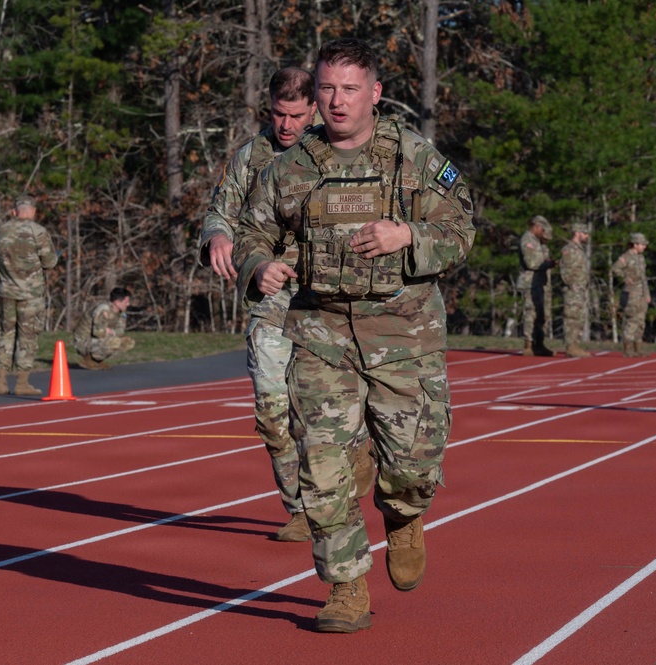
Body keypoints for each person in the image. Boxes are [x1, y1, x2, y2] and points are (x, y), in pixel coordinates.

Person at [235, 38, 475, 633]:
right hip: (321, 332)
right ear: (314, 95)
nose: (337, 101)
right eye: (326, 88)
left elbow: (463, 230)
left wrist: (409, 239)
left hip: (405, 331)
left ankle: (404, 515)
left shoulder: (415, 157)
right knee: (320, 465)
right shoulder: (289, 167)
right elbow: (250, 233)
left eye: (349, 88)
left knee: (414, 468)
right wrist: (257, 266)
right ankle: (345, 587)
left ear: (375, 93)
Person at [197, 66, 369, 544]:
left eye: (296, 114)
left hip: (330, 299)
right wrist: (216, 238)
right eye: (278, 114)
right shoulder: (252, 156)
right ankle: (298, 507)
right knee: (273, 407)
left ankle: (351, 462)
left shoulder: (334, 148)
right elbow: (221, 210)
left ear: (312, 107)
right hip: (270, 298)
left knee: (329, 406)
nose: (286, 125)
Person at [0, 194, 59, 396]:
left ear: (14, 211)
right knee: (27, 336)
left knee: (6, 334)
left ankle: (1, 381)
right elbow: (49, 262)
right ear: (33, 211)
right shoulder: (38, 232)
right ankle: (22, 382)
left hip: (6, 291)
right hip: (30, 293)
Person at [518, 215, 556, 356]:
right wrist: (548, 264)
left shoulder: (539, 242)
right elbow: (531, 263)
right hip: (531, 282)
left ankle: (539, 343)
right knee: (531, 312)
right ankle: (528, 344)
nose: (544, 233)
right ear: (537, 226)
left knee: (543, 315)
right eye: (542, 229)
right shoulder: (528, 240)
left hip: (541, 283)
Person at [73, 287, 135, 369]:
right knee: (114, 342)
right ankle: (90, 359)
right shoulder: (103, 309)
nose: (128, 304)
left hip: (98, 339)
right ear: (117, 302)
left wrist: (111, 332)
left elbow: (121, 330)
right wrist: (112, 335)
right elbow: (98, 332)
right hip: (84, 341)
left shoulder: (121, 313)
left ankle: (97, 360)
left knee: (128, 343)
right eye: (126, 302)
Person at [612, 232, 652, 358]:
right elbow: (615, 269)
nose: (644, 247)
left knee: (641, 322)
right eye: (642, 244)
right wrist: (625, 277)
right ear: (635, 244)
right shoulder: (626, 257)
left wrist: (647, 294)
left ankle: (638, 348)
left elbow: (644, 278)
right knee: (632, 321)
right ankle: (627, 349)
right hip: (631, 294)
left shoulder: (641, 258)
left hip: (641, 294)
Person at [560, 222, 590, 358]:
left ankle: (575, 345)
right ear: (577, 233)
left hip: (580, 289)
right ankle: (571, 346)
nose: (587, 236)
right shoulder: (569, 249)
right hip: (573, 289)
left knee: (579, 318)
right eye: (585, 233)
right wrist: (572, 285)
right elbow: (565, 270)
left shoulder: (579, 249)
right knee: (571, 317)